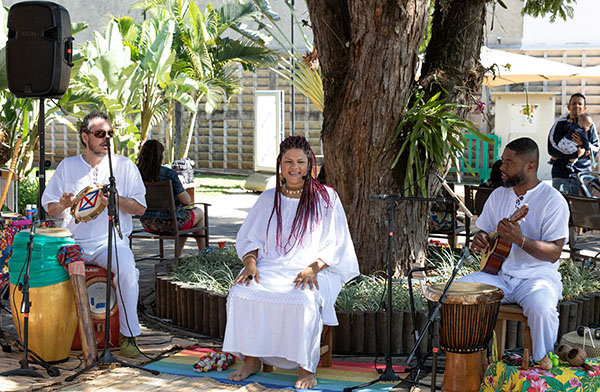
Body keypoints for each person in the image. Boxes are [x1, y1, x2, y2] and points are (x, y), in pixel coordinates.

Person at [223, 135, 359, 389]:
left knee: (304, 298)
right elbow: (250, 237)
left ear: (310, 165)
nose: (294, 167)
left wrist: (313, 268)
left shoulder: (326, 198)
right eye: (288, 162)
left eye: (300, 161)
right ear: (280, 165)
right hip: (271, 267)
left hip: (316, 269)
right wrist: (250, 263)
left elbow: (336, 244)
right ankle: (251, 360)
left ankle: (307, 368)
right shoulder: (267, 198)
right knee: (241, 291)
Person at [42, 111, 147, 358]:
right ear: (85, 137)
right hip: (73, 242)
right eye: (100, 134)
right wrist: (64, 204)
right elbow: (50, 208)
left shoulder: (124, 166)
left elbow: (141, 208)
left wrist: (117, 200)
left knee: (128, 271)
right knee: (47, 274)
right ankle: (56, 334)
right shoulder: (68, 166)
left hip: (108, 242)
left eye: (110, 134)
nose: (106, 139)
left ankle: (129, 334)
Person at [462, 137, 569, 361]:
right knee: (455, 291)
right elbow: (483, 231)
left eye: (509, 162)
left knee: (542, 309)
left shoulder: (553, 200)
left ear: (530, 166)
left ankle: (543, 369)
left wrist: (521, 240)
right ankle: (469, 365)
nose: (502, 167)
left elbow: (554, 252)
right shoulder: (498, 195)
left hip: (537, 279)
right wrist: (480, 239)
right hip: (499, 276)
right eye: (503, 161)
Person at [136, 139, 205, 256]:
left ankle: (182, 255)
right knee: (198, 213)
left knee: (184, 217)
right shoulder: (168, 174)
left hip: (147, 223)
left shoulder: (135, 173)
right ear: (160, 156)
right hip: (170, 223)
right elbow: (186, 200)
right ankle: (201, 253)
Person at [548, 93, 599, 195]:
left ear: (584, 108)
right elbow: (551, 148)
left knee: (580, 208)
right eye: (574, 103)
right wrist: (575, 154)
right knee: (559, 207)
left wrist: (583, 144)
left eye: (580, 104)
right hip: (560, 175)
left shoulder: (590, 125)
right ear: (568, 107)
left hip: (581, 175)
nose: (577, 106)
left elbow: (596, 149)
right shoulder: (560, 124)